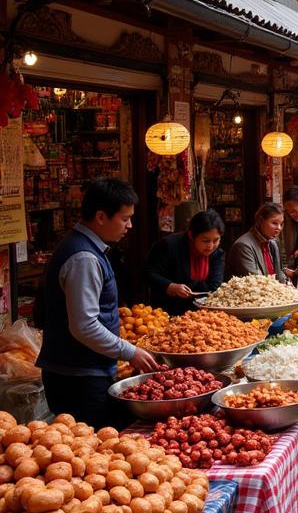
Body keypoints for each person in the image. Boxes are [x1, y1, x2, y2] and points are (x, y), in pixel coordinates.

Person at [36, 178, 160, 428]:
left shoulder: (86, 248)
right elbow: (84, 325)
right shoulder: (83, 257)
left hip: (80, 372)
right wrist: (130, 351)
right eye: (125, 219)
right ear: (101, 216)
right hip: (78, 377)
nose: (130, 225)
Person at [145, 209, 226, 315]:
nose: (211, 246)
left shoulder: (217, 254)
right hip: (166, 311)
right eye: (205, 241)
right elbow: (147, 273)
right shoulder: (169, 246)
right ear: (192, 235)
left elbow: (214, 286)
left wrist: (190, 285)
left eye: (216, 240)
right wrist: (170, 286)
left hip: (202, 314)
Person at [226, 202, 287, 281]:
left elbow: (279, 274)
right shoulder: (243, 246)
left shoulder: (273, 243)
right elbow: (257, 282)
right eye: (274, 223)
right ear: (261, 220)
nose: (279, 228)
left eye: (281, 224)